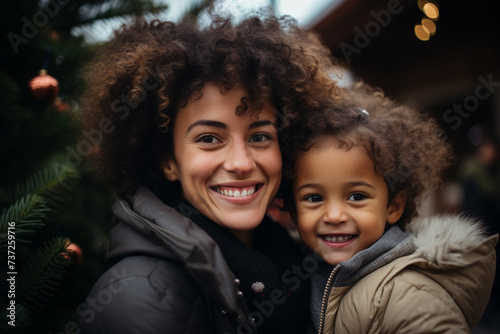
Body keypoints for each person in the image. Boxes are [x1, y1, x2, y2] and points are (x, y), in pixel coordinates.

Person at [76, 11, 339, 334]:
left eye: (259, 136)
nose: (241, 163)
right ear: (167, 161)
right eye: (209, 139)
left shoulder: (293, 261)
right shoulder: (142, 294)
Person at [281, 83, 498, 333]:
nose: (334, 215)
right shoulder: (305, 272)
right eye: (314, 198)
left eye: (357, 196)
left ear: (393, 207)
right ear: (294, 211)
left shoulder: (409, 296)